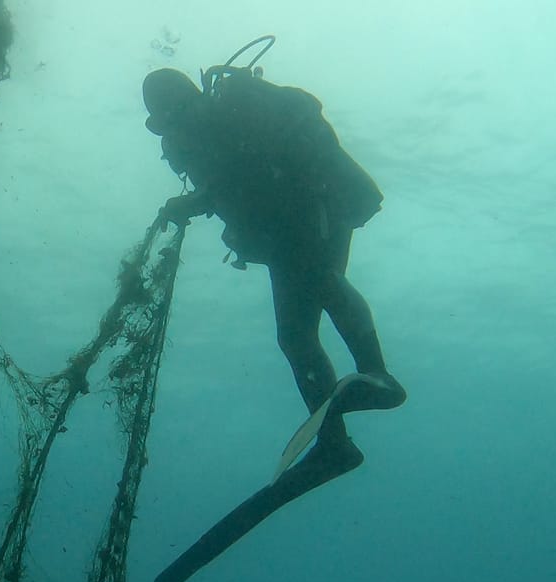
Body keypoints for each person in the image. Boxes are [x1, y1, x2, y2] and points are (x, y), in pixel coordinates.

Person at [142, 66, 406, 467]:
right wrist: (195, 201)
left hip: (314, 209)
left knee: (322, 279)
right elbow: (230, 185)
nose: (172, 128)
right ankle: (333, 442)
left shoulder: (236, 105)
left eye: (173, 113)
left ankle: (378, 374)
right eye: (163, 123)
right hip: (280, 233)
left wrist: (197, 201)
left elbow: (250, 166)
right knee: (294, 337)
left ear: (188, 98)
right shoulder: (200, 138)